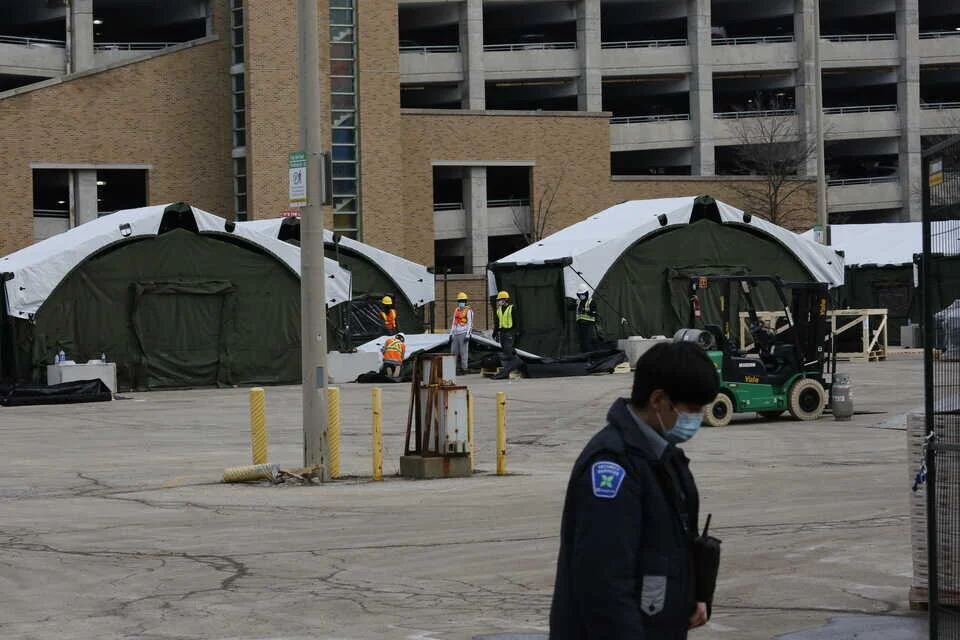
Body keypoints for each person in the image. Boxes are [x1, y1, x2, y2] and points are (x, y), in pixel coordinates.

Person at [549, 341, 721, 639]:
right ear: (658, 400)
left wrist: (694, 594)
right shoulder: (612, 467)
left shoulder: (664, 457)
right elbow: (604, 585)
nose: (697, 419)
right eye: (691, 409)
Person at [450, 292, 473, 375]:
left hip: (463, 333)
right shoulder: (456, 310)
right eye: (460, 301)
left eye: (462, 301)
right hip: (455, 334)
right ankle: (454, 368)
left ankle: (464, 369)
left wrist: (468, 335)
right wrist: (451, 334)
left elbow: (470, 323)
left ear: (465, 301)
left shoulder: (468, 311)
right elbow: (453, 322)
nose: (461, 302)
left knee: (463, 352)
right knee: (453, 352)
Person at [575, 284, 598, 354]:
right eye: (580, 294)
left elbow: (594, 313)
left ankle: (589, 358)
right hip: (580, 325)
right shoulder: (578, 301)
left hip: (589, 325)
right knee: (582, 342)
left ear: (586, 293)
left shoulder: (591, 302)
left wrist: (585, 311)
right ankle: (583, 357)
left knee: (588, 342)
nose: (581, 296)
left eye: (583, 294)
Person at [493, 290, 517, 357]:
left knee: (508, 349)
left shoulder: (511, 308)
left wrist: (516, 331)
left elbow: (516, 320)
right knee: (504, 349)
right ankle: (512, 363)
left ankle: (511, 364)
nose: (499, 301)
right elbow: (497, 322)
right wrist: (495, 332)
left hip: (510, 331)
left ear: (505, 299)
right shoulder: (499, 310)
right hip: (502, 332)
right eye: (498, 300)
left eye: (500, 299)